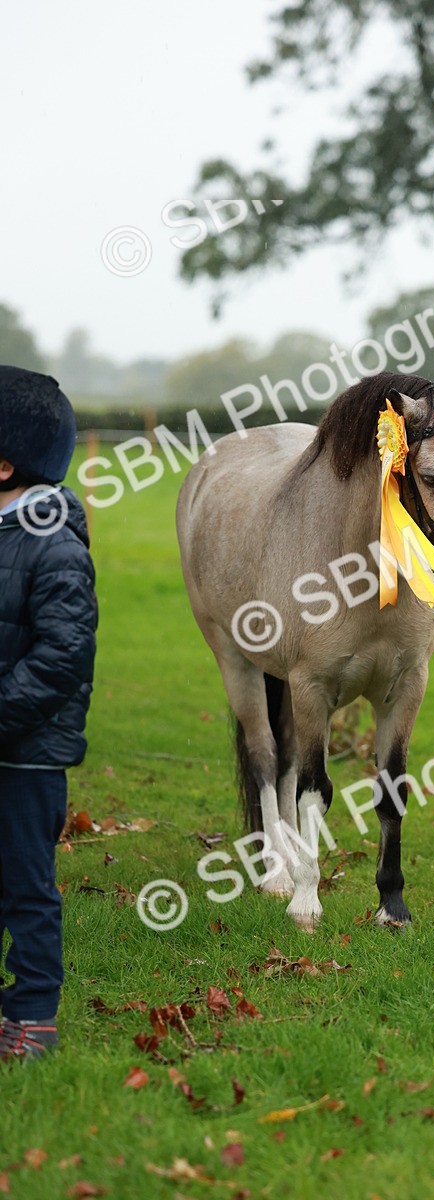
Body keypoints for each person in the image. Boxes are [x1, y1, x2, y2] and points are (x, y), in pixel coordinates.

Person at [0, 366, 97, 1060]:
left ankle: (33, 1013)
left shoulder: (53, 544)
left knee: (26, 886)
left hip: (26, 754)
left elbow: (63, 655)